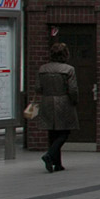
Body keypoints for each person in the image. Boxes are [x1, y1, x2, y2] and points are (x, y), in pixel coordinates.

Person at [35, 41, 79, 172]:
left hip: (47, 101)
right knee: (64, 132)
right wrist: (74, 101)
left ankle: (57, 163)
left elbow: (38, 88)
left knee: (52, 132)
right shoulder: (68, 69)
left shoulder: (43, 69)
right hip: (63, 102)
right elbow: (73, 89)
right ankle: (49, 155)